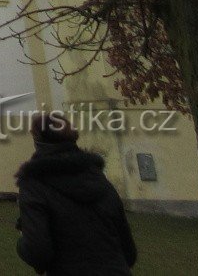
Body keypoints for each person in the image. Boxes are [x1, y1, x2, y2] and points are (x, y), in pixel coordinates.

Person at [16, 112, 138, 275]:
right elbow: (128, 251)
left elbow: (38, 251)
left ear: (36, 139)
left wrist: (22, 242)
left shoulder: (35, 184)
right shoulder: (100, 180)